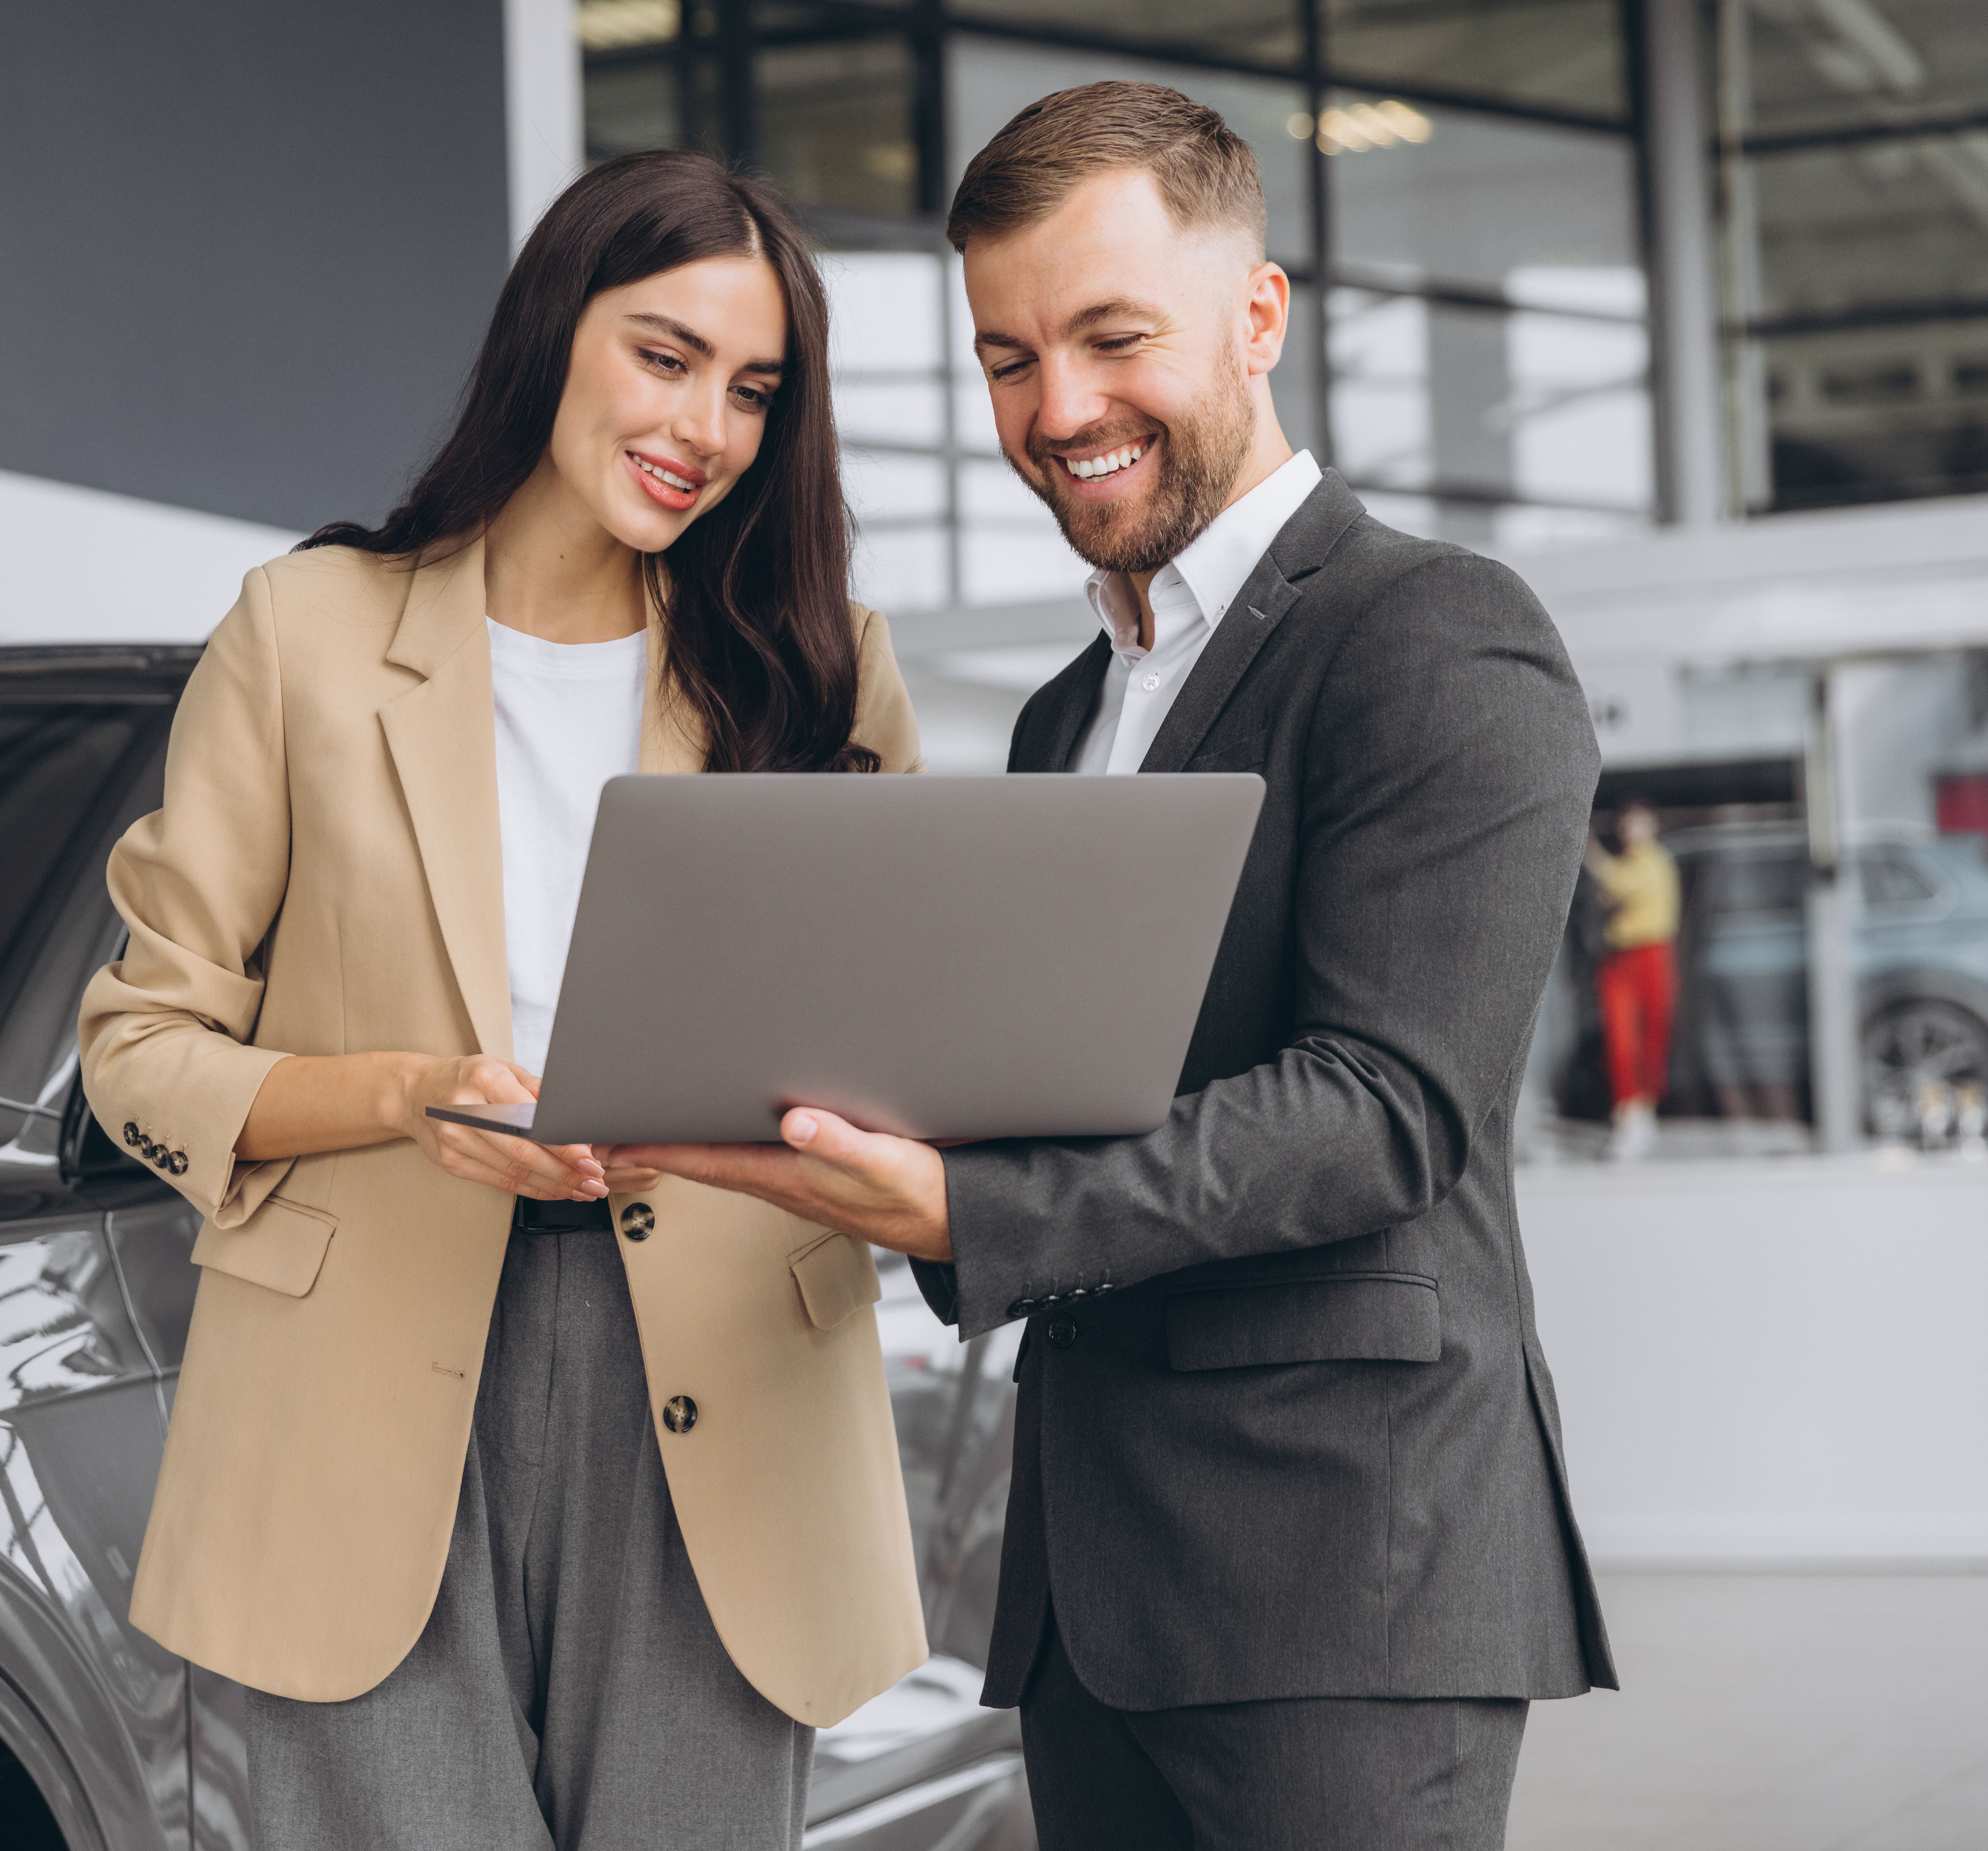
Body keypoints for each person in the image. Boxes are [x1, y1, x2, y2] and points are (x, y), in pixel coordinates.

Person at [613, 82, 1617, 1850]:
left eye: (1107, 337)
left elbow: (1386, 1107)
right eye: (1004, 358)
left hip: (1344, 1578)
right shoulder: (1072, 709)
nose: (1054, 410)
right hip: (1094, 1589)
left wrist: (964, 1213)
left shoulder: (1434, 634)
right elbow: (1059, 1079)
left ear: (1255, 317)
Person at [76, 150, 928, 1851]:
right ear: (555, 329)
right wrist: (404, 1096)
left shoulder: (811, 660)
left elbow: (899, 1045)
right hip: (360, 1391)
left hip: (720, 1388)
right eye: (662, 355)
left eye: (753, 390)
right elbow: (137, 1047)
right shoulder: (306, 631)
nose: (705, 426)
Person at [1587, 799, 1681, 1159]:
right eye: (1627, 825)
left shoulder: (1655, 862)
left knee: (1651, 1034)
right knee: (1620, 1037)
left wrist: (1591, 852)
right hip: (1620, 956)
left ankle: (1641, 1112)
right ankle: (1628, 1114)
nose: (1631, 832)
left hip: (1650, 953)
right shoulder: (1628, 864)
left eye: (1638, 824)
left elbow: (1620, 888)